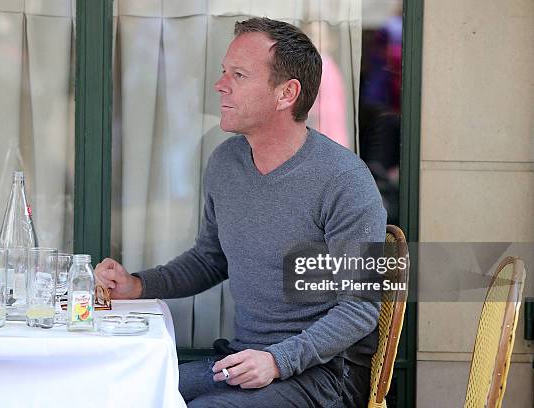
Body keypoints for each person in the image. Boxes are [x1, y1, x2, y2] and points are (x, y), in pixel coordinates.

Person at [95, 17, 386, 407]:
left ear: (286, 94)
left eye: (239, 74)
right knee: (123, 393)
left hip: (325, 377)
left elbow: (360, 310)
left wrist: (278, 360)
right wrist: (138, 286)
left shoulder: (346, 180)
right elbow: (209, 259)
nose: (220, 84)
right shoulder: (226, 163)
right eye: (223, 71)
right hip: (242, 360)